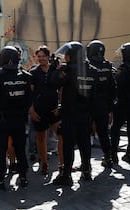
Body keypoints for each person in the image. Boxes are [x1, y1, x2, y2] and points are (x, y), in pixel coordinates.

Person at [0, 46, 32, 190]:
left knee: (1, 150)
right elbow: (29, 99)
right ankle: (23, 176)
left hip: (1, 120)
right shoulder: (25, 76)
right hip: (19, 120)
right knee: (20, 149)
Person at [49, 41, 95, 185]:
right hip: (86, 113)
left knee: (68, 145)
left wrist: (54, 69)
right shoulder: (92, 69)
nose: (66, 57)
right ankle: (87, 170)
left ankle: (66, 175)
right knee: (84, 143)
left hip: (70, 113)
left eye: (67, 55)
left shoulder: (68, 70)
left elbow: (53, 83)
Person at [29, 45, 60, 175]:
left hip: (54, 109)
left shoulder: (55, 71)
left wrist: (60, 106)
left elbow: (61, 89)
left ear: (48, 57)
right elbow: (29, 94)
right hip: (39, 109)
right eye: (39, 56)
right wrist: (32, 111)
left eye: (43, 56)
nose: (41, 59)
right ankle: (44, 163)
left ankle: (62, 164)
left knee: (60, 135)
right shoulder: (33, 72)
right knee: (41, 137)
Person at [86, 40, 115, 168]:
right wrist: (109, 108)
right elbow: (113, 88)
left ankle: (85, 163)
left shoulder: (87, 66)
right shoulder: (108, 66)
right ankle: (108, 157)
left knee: (85, 134)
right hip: (103, 106)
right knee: (103, 133)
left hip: (88, 106)